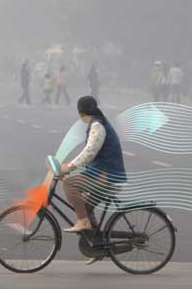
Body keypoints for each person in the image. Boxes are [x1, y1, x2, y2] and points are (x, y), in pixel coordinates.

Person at [59, 96, 127, 265]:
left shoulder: (97, 125)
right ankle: (97, 247)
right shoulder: (97, 122)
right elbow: (91, 156)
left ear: (80, 112)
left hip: (108, 178)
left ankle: (82, 221)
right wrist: (70, 165)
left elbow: (90, 152)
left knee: (69, 183)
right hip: (103, 175)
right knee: (86, 206)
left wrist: (69, 168)